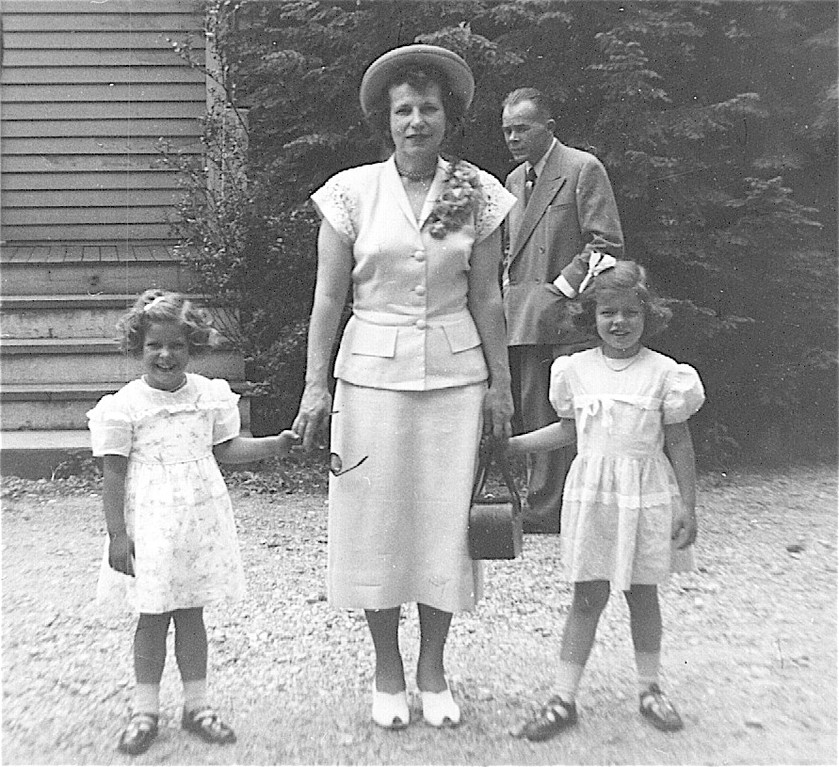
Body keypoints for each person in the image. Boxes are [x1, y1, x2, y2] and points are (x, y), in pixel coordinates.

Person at [291, 44, 515, 730]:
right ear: (384, 122)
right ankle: (387, 669)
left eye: (428, 109)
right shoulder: (349, 193)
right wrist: (314, 387)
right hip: (371, 379)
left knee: (445, 525)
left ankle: (434, 668)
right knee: (376, 524)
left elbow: (488, 299)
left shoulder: (476, 192)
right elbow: (328, 300)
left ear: (449, 117)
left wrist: (501, 386)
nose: (416, 121)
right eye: (403, 111)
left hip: (454, 376)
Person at [88, 289, 299, 756]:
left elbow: (227, 449)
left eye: (177, 346)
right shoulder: (123, 406)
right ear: (137, 348)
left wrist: (274, 445)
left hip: (198, 522)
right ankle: (145, 709)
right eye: (154, 346)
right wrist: (117, 536)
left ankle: (197, 705)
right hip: (149, 525)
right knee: (151, 615)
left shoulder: (208, 395)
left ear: (193, 346)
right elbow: (114, 474)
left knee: (191, 613)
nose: (166, 355)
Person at [506, 257, 704, 740]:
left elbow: (678, 442)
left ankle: (650, 688)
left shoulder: (665, 374)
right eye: (608, 313)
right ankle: (563, 697)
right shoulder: (575, 370)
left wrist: (688, 505)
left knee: (643, 593)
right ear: (590, 316)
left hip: (645, 495)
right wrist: (511, 446)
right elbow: (566, 432)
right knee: (587, 594)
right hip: (593, 496)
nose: (619, 323)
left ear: (647, 315)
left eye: (631, 314)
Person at [501, 87, 624, 533]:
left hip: (564, 314)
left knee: (564, 412)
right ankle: (544, 503)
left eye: (522, 128)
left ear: (548, 128)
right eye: (507, 130)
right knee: (533, 410)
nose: (513, 138)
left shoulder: (582, 168)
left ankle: (556, 507)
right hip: (521, 314)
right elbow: (511, 249)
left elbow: (606, 243)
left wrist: (561, 288)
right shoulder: (515, 181)